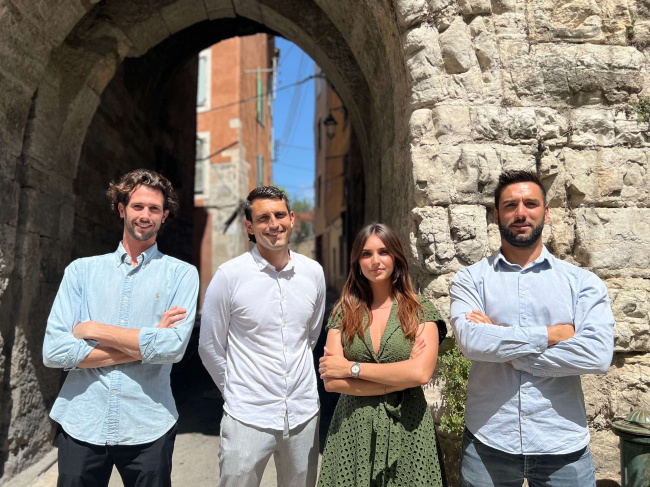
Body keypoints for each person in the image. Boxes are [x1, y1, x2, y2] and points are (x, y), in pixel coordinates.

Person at [449, 170, 615, 487]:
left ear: (546, 213)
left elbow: (597, 355)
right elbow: (471, 342)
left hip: (562, 443)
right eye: (510, 205)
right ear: (496, 215)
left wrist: (508, 351)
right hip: (489, 441)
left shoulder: (582, 284)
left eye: (531, 204)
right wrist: (552, 334)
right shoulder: (471, 280)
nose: (521, 213)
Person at [42, 169, 199, 487]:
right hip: (82, 420)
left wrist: (94, 328)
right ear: (121, 209)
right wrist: (147, 342)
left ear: (165, 215)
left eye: (154, 208)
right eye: (138, 206)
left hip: (148, 423)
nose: (145, 215)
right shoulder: (81, 272)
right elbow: (54, 352)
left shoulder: (182, 274)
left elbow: (172, 348)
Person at [198, 185, 326, 487]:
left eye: (279, 215)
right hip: (247, 416)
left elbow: (309, 336)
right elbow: (209, 346)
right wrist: (236, 390)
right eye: (263, 218)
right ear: (250, 227)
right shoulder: (229, 276)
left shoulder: (313, 273)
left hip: (303, 413)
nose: (273, 224)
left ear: (292, 218)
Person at [317, 222, 448, 487]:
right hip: (353, 428)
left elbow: (420, 374)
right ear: (357, 262)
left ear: (396, 257)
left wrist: (351, 369)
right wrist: (399, 378)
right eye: (366, 254)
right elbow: (331, 381)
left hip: (408, 426)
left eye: (383, 252)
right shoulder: (343, 312)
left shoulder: (421, 311)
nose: (375, 261)